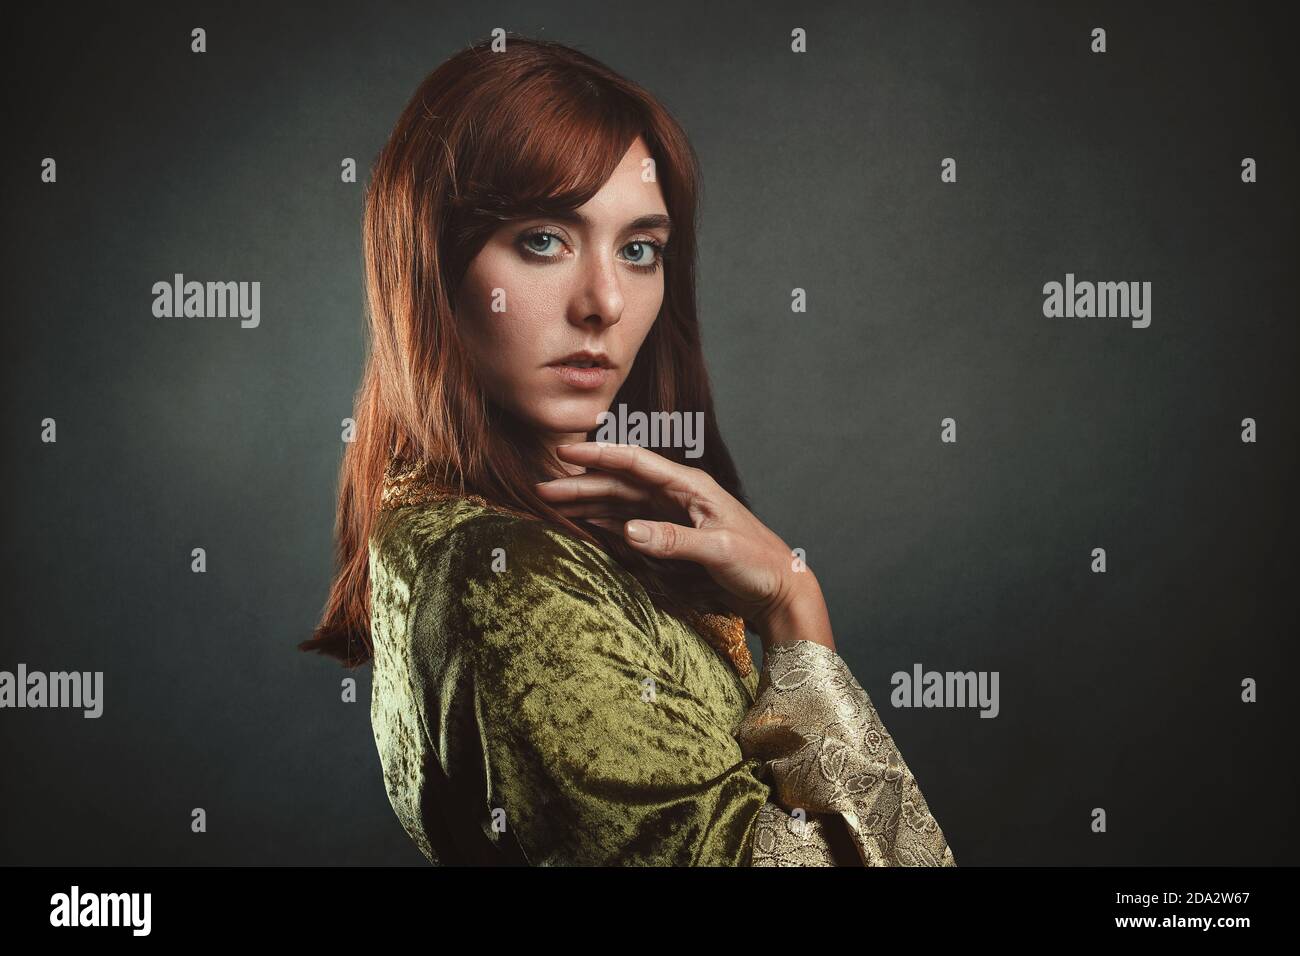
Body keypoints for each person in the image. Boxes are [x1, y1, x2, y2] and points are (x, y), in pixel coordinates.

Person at [300, 33, 956, 867]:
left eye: (639, 249)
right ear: (429, 263)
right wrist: (798, 618)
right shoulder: (504, 575)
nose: (605, 302)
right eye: (543, 239)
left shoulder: (481, 532)